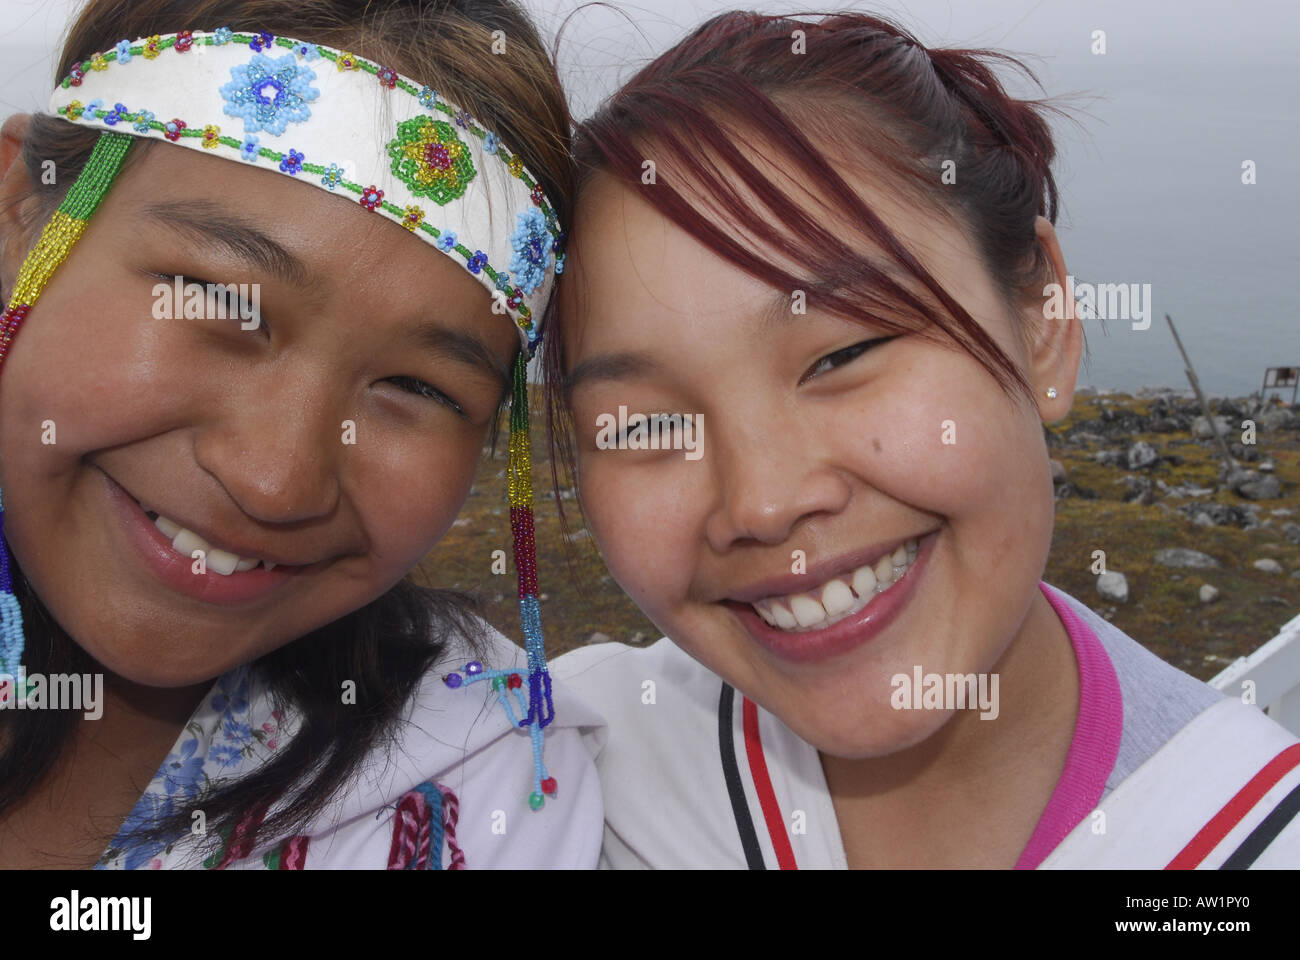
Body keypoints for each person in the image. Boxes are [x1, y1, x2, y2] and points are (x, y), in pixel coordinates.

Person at [548, 11, 1300, 868]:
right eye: (647, 424)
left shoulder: (1250, 837)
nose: (760, 502)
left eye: (845, 352)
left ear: (1042, 318)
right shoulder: (559, 785)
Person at [0, 0, 602, 869]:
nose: (275, 480)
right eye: (219, 299)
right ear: (21, 215)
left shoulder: (478, 794)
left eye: (415, 385)